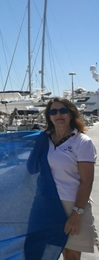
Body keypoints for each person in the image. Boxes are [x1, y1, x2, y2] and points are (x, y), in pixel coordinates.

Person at [44, 97, 98, 260]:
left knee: (72, 254)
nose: (58, 115)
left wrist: (77, 213)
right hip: (47, 204)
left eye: (63, 111)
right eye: (53, 112)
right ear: (49, 116)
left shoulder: (82, 142)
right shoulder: (43, 139)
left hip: (72, 204)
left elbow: (86, 181)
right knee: (49, 252)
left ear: (71, 114)